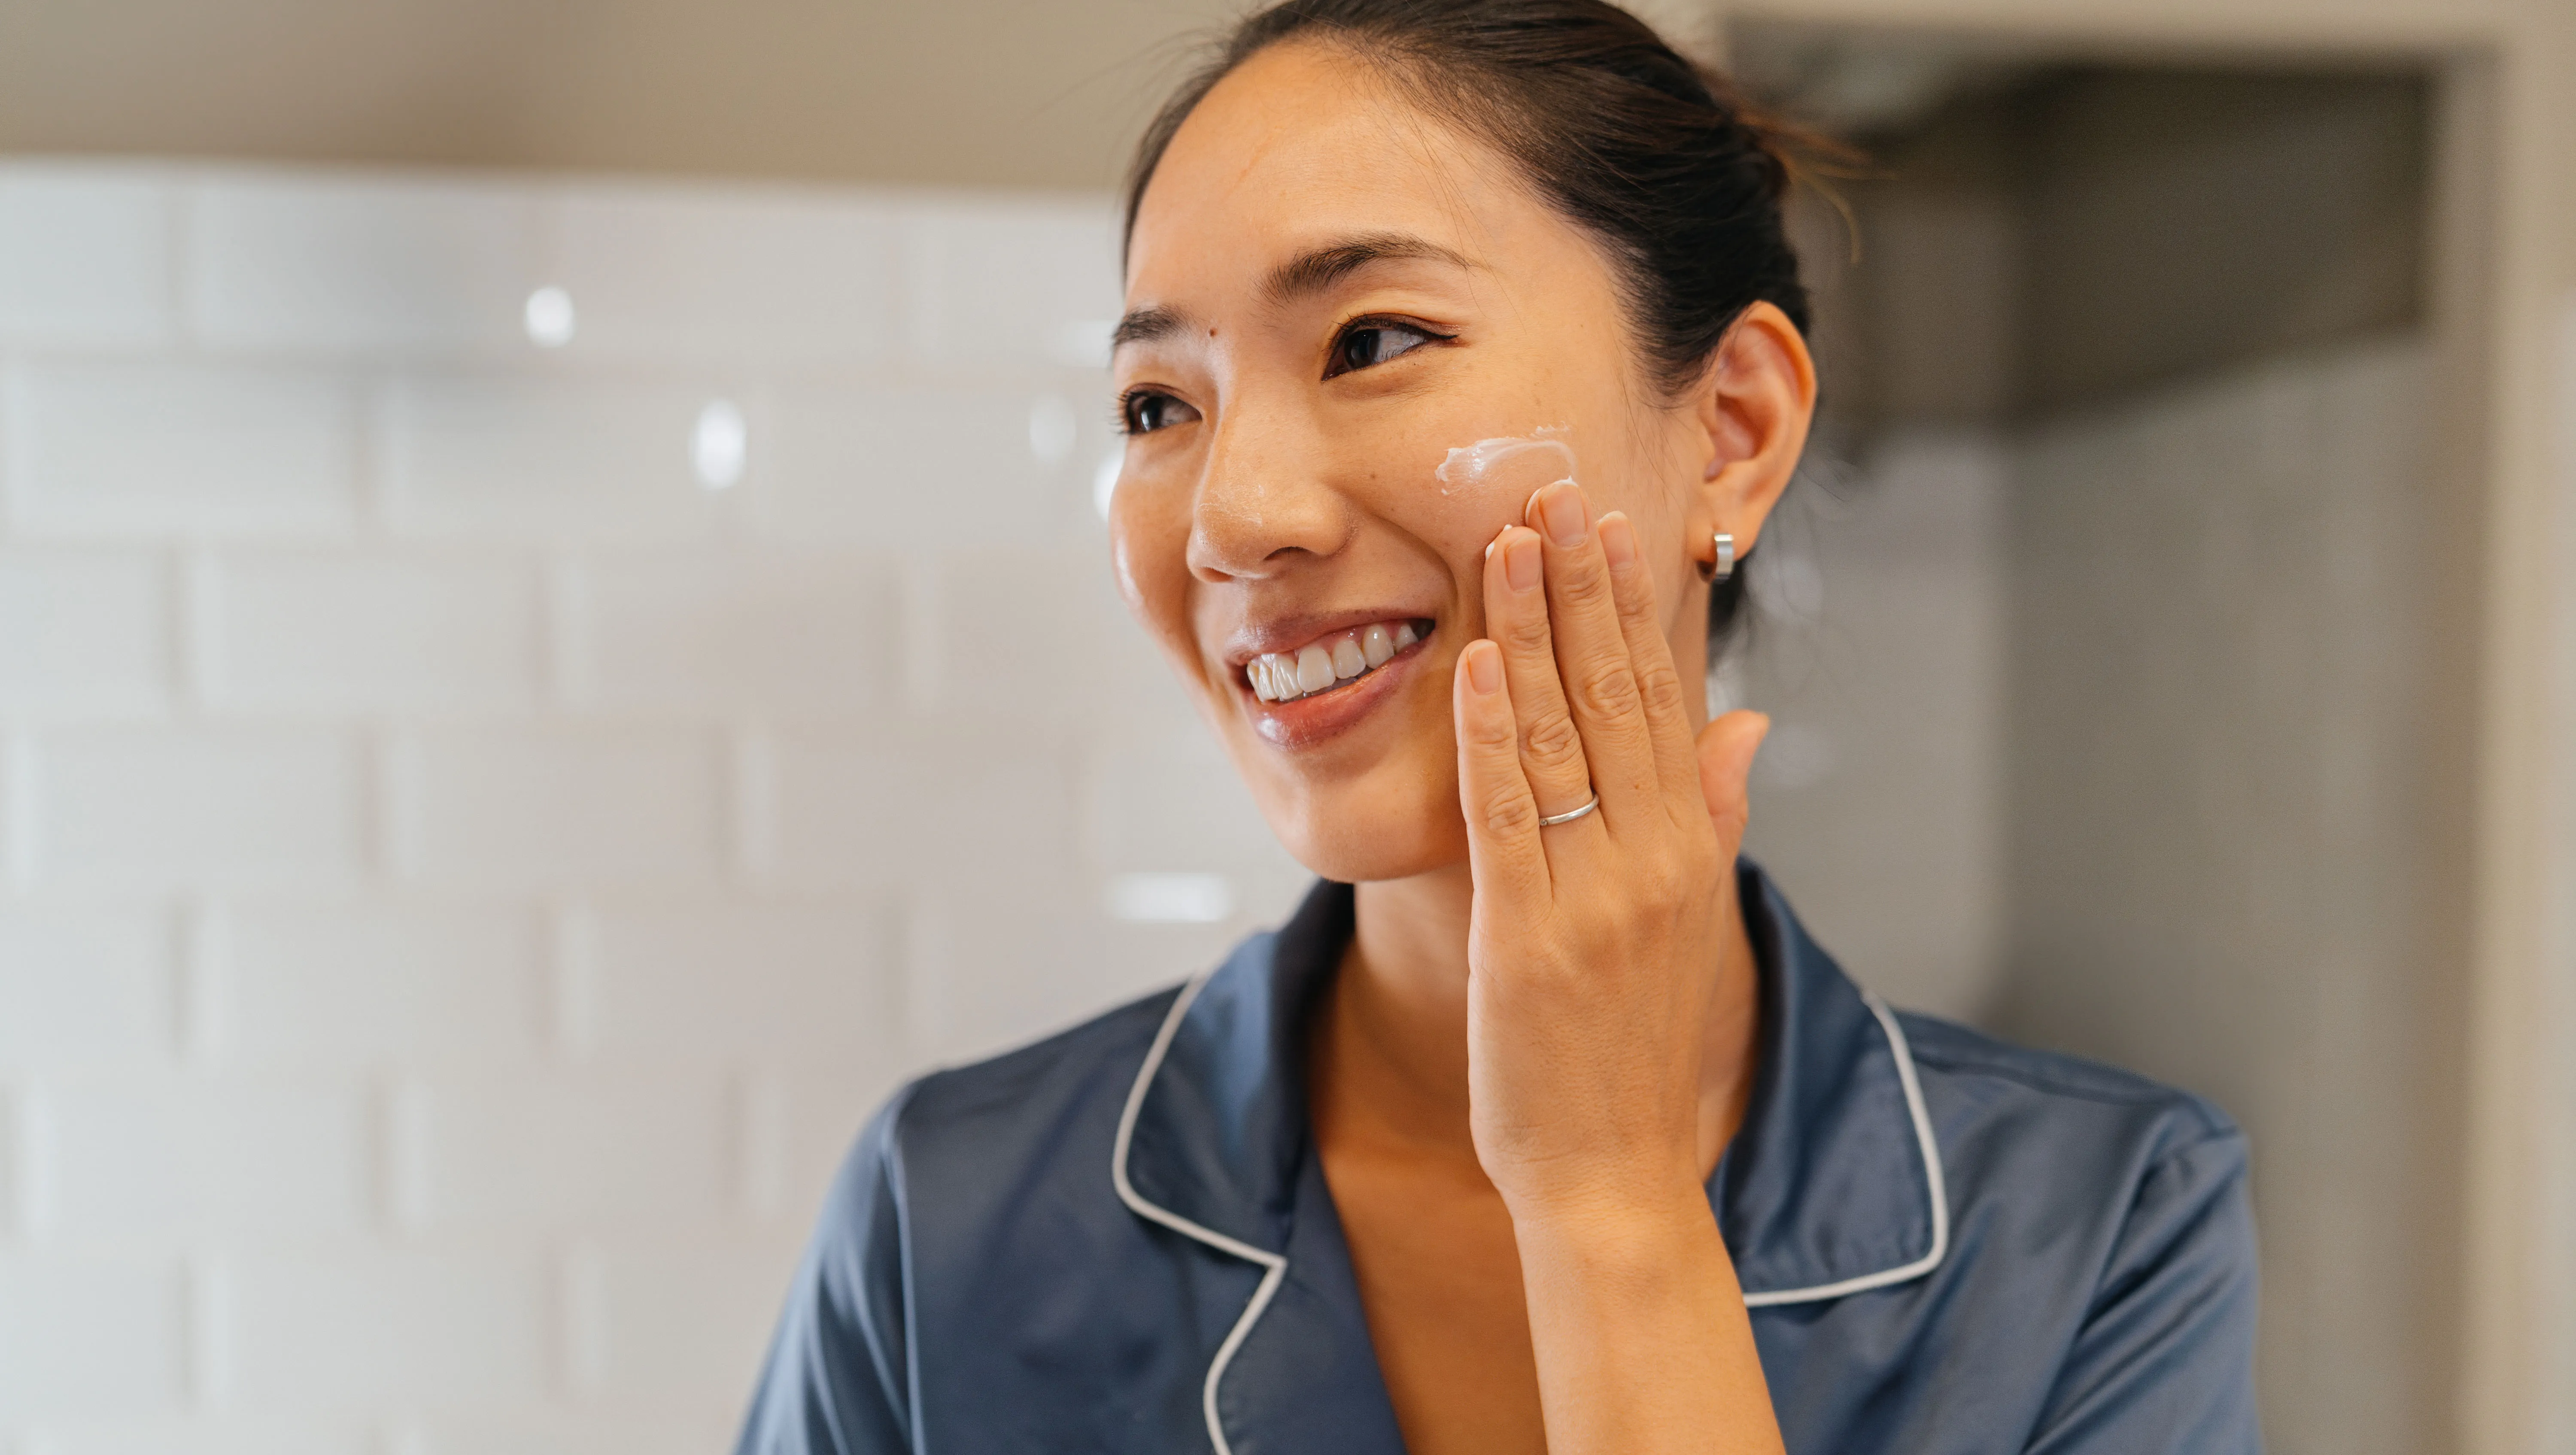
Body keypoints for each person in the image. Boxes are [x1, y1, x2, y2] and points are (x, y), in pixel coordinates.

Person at [735, 2, 2261, 1451]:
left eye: (1374, 340)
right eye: (1157, 404)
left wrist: (1612, 1199)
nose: (1234, 516)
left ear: (1729, 430)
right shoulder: (946, 1220)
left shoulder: (2100, 1234)